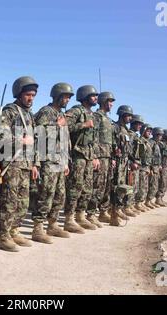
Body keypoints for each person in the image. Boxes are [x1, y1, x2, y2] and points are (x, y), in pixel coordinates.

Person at [0, 76, 40, 252]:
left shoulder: (29, 115)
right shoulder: (10, 111)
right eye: (28, 94)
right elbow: (0, 135)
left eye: (33, 95)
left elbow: (35, 141)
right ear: (20, 94)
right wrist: (19, 140)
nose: (31, 98)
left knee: (22, 201)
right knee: (9, 200)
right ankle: (4, 235)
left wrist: (35, 164)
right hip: (12, 163)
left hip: (26, 164)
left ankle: (15, 229)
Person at [32, 83, 73, 243]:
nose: (67, 100)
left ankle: (53, 224)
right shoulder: (46, 112)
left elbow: (64, 140)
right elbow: (38, 134)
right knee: (46, 193)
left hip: (59, 160)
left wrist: (66, 162)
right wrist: (57, 125)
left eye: (69, 97)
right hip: (47, 159)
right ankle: (38, 227)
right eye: (65, 96)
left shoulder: (61, 114)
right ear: (57, 95)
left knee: (60, 194)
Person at [64, 85, 100, 231]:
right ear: (85, 96)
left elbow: (94, 139)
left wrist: (96, 156)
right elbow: (64, 126)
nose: (96, 98)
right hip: (77, 154)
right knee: (75, 187)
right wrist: (83, 124)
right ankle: (69, 218)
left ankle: (81, 215)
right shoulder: (75, 110)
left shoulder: (92, 114)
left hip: (89, 155)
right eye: (93, 95)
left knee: (87, 187)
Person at [90, 92, 116, 224]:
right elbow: (93, 137)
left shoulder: (108, 119)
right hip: (99, 156)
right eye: (110, 101)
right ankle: (91, 214)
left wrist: (112, 157)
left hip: (107, 156)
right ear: (103, 101)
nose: (111, 104)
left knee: (106, 186)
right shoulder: (96, 116)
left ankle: (103, 211)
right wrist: (94, 156)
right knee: (97, 186)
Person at [146, 127, 163, 209]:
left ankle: (150, 201)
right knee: (152, 185)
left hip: (156, 168)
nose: (161, 137)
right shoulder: (151, 143)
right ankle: (147, 201)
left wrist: (159, 165)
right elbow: (150, 156)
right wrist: (151, 168)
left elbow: (157, 157)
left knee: (155, 185)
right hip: (152, 168)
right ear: (156, 135)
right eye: (160, 135)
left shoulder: (157, 144)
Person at [156, 129, 167, 206]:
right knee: (162, 183)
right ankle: (158, 198)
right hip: (162, 166)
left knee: (166, 183)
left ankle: (161, 198)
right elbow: (158, 156)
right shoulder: (160, 144)